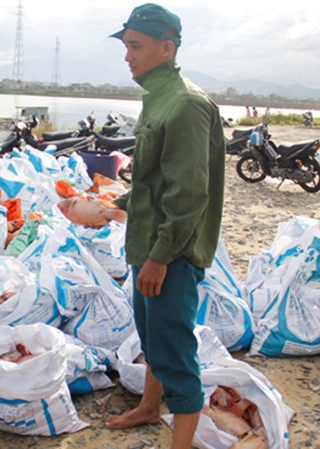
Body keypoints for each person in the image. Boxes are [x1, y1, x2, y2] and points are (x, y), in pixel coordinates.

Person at [104, 4, 225, 449]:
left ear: (167, 47)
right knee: (152, 336)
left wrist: (158, 259)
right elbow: (154, 180)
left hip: (169, 253)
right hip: (147, 244)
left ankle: (181, 442)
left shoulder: (187, 105)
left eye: (135, 46)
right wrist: (111, 206)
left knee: (174, 351)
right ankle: (150, 408)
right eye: (126, 46)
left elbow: (189, 196)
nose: (127, 56)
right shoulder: (158, 97)